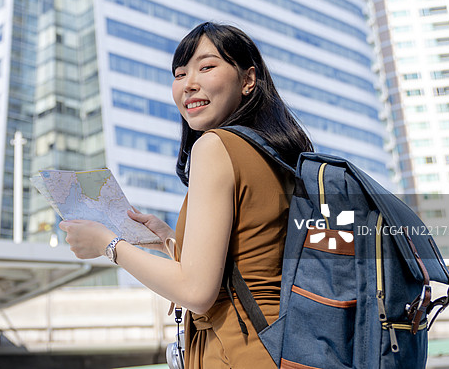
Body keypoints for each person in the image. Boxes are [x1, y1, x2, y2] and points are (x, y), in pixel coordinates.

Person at [60, 22, 312, 368]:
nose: (189, 84)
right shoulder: (277, 156)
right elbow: (254, 257)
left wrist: (108, 244)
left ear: (248, 80)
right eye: (179, 74)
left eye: (207, 67)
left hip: (243, 353)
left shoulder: (215, 146)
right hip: (290, 347)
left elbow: (196, 292)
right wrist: (168, 239)